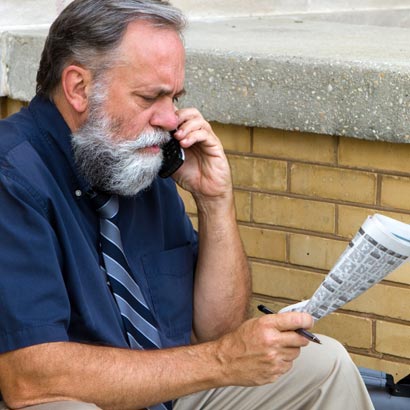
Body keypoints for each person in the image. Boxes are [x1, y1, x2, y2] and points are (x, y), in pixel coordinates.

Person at [0, 1, 374, 409]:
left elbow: (217, 332)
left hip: (164, 387)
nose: (170, 119)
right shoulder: (12, 175)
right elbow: (29, 377)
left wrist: (214, 200)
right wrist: (221, 360)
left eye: (175, 97)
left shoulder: (139, 158)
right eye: (151, 97)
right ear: (79, 88)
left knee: (324, 364)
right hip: (72, 395)